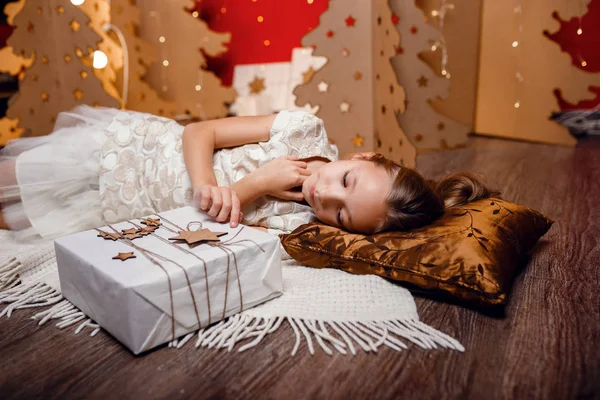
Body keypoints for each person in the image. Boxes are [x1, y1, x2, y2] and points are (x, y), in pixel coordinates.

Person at [0, 106, 497, 242]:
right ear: (362, 156)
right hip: (131, 153)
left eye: (342, 218)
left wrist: (252, 187)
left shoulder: (294, 226)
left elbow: (192, 229)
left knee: (20, 222)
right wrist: (206, 184)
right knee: (16, 179)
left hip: (129, 208)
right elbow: (199, 133)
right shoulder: (301, 130)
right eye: (345, 181)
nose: (325, 195)